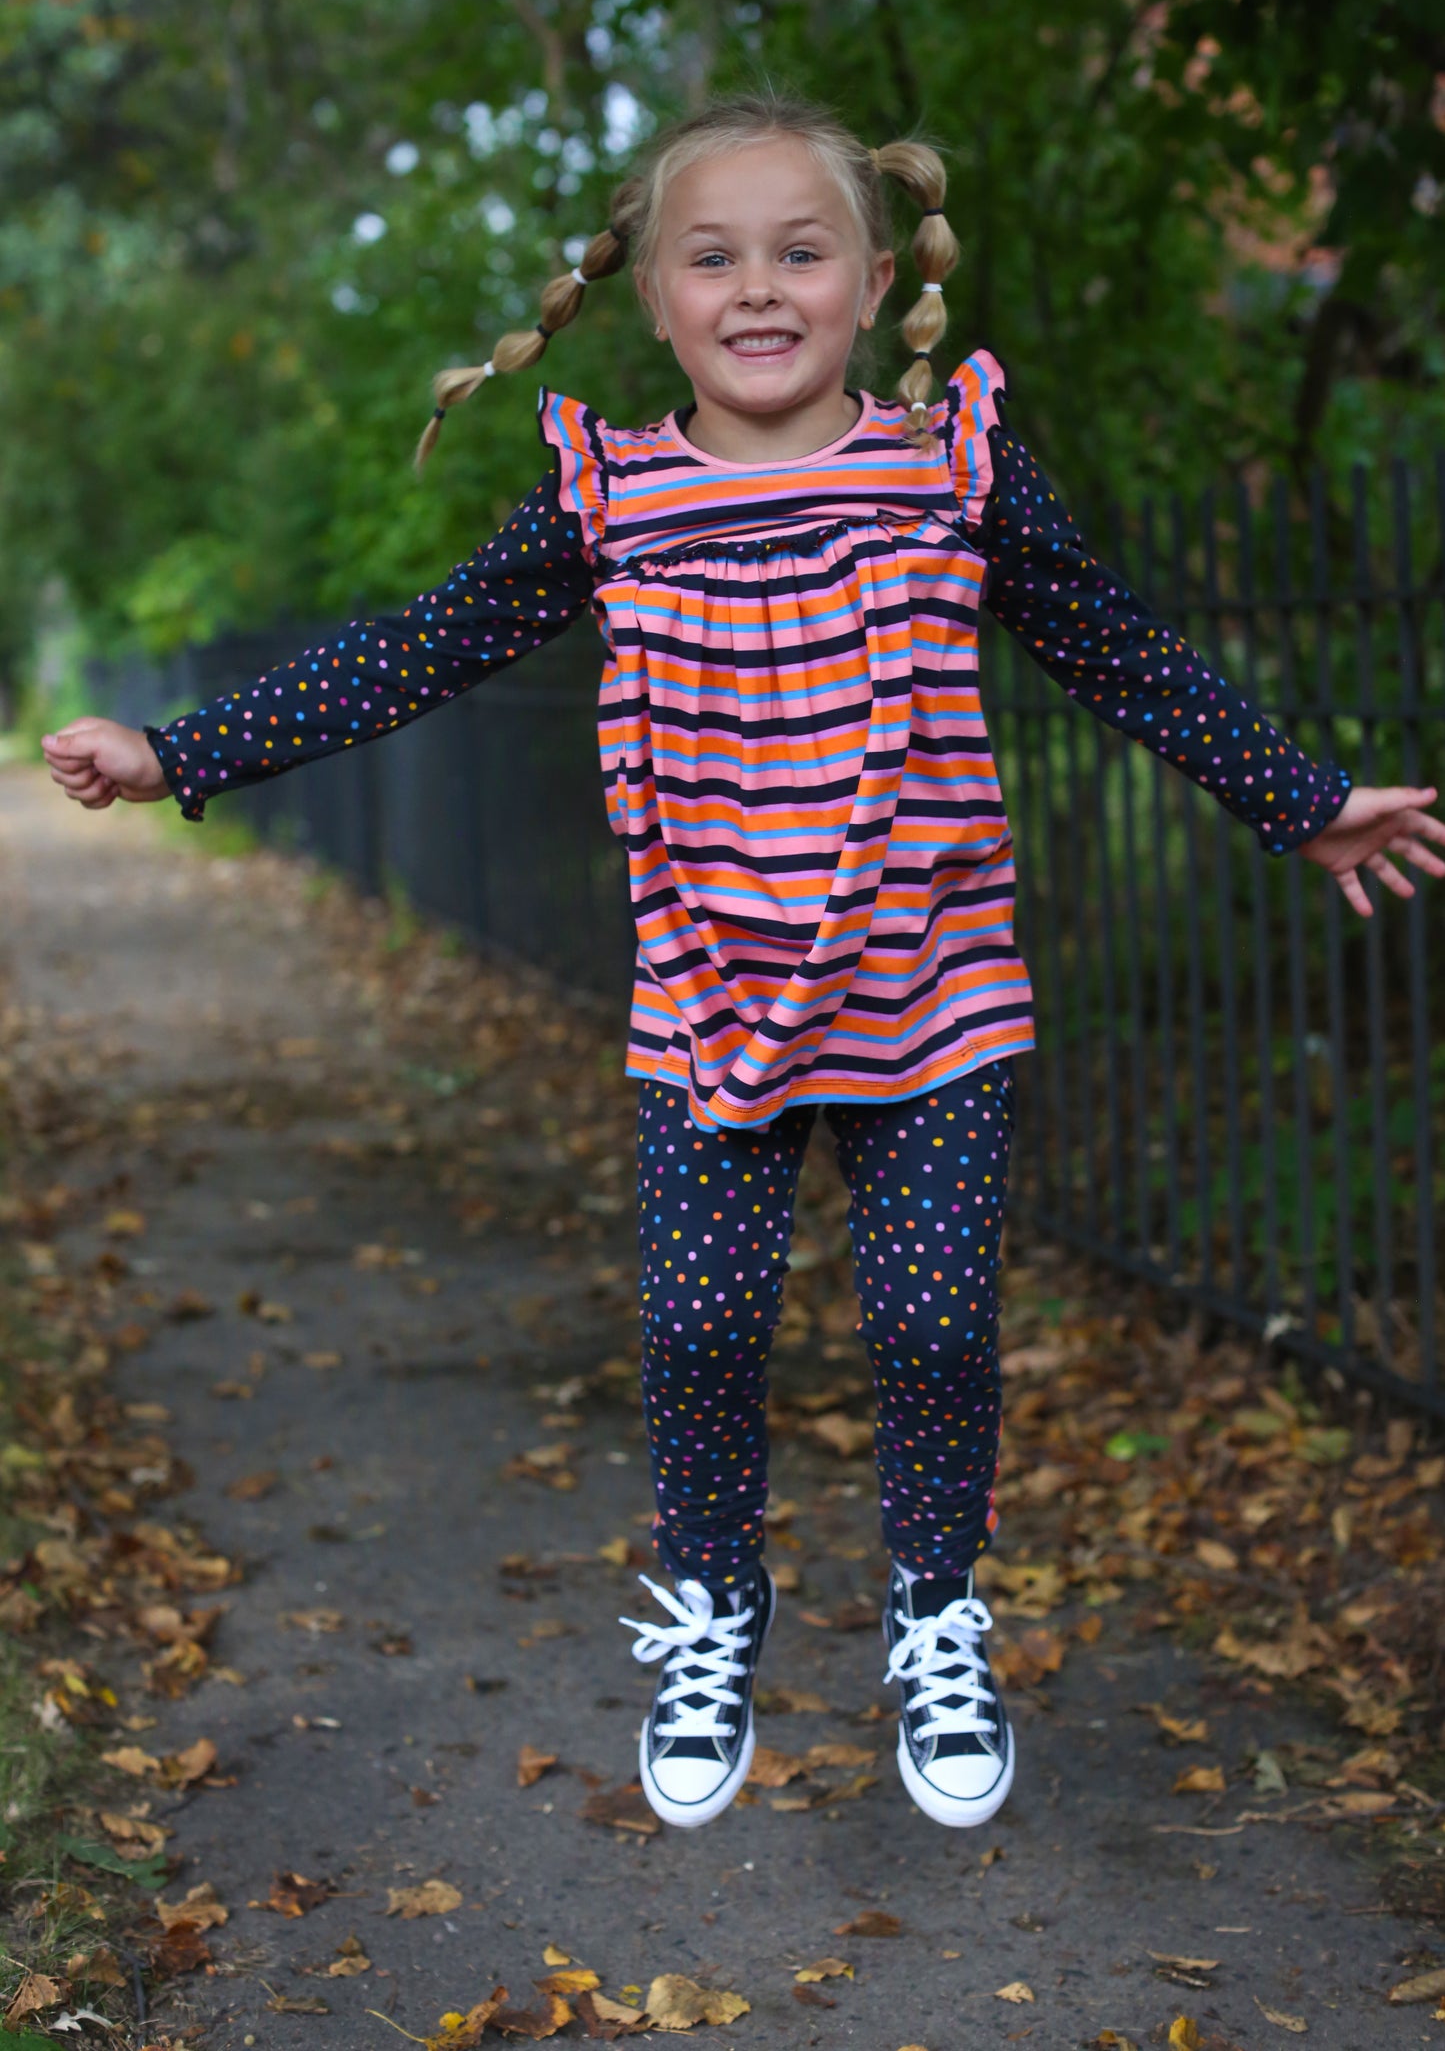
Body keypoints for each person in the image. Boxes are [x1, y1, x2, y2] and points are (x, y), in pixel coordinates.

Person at [42, 92, 1444, 1836]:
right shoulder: (608, 494)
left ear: (871, 281)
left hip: (930, 993)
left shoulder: (956, 466)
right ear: (649, 295)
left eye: (802, 252)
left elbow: (1119, 652)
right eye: (714, 256)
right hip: (707, 1005)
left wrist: (1296, 799)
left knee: (934, 1327)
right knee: (703, 1325)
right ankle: (716, 1609)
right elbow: (415, 655)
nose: (759, 289)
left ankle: (935, 1607)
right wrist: (185, 754)